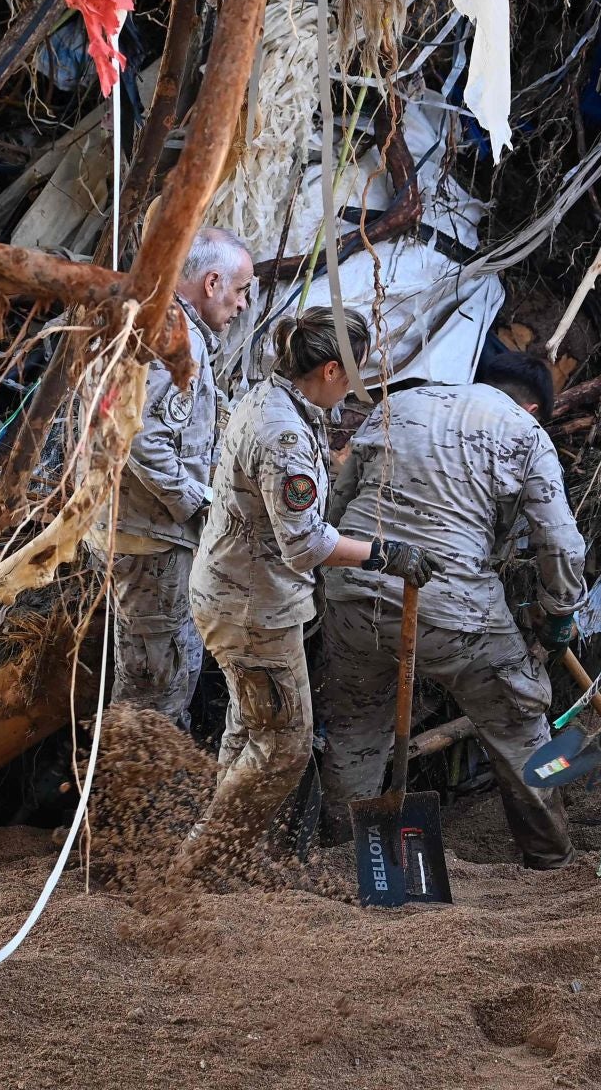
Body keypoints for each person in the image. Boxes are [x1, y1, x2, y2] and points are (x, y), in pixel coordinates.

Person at [175, 307, 441, 875]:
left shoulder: (272, 398)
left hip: (239, 592)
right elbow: (306, 544)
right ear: (327, 370)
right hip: (253, 609)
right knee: (285, 746)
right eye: (354, 372)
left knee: (251, 729)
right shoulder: (284, 434)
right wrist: (386, 555)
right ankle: (201, 866)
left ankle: (219, 854)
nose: (356, 384)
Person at [319, 351, 587, 869]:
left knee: (354, 731)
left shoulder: (397, 406)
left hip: (351, 590)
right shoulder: (524, 432)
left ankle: (344, 861)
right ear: (532, 407)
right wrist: (559, 614)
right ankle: (552, 858)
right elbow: (560, 542)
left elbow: (337, 504)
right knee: (520, 726)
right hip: (454, 606)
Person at [88, 227, 254, 728]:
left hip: (135, 529)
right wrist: (196, 503)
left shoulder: (155, 321)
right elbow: (138, 436)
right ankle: (136, 794)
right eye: (241, 290)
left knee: (162, 669)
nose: (243, 304)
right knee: (154, 689)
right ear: (211, 282)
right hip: (151, 539)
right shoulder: (172, 337)